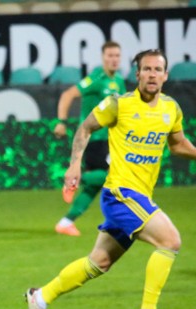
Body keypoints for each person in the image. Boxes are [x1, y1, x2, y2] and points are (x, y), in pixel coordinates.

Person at [25, 49, 196, 309]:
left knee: (98, 263)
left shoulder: (170, 108)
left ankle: (42, 297)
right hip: (121, 193)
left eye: (157, 69)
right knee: (170, 240)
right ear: (137, 74)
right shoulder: (118, 104)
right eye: (146, 69)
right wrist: (74, 164)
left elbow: (177, 144)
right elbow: (85, 128)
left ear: (165, 75)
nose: (152, 74)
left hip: (138, 196)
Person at [53, 41, 126, 237]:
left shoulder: (119, 80)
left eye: (117, 55)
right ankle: (72, 179)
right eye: (110, 55)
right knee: (112, 178)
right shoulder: (96, 78)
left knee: (94, 187)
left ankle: (66, 222)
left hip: (110, 139)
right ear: (103, 58)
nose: (113, 59)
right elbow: (68, 95)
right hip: (94, 139)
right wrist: (61, 121)